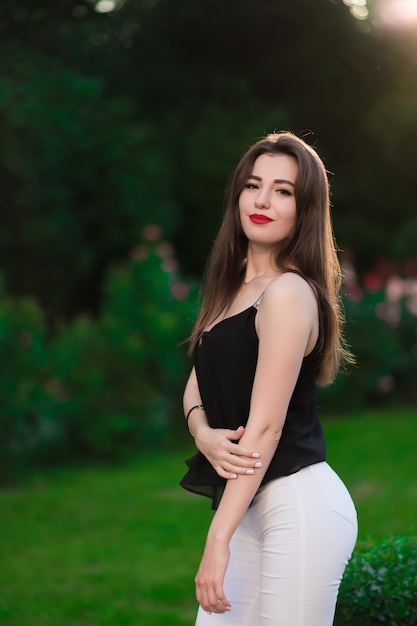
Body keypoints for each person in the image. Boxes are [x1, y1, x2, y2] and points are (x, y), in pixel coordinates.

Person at [180, 131, 357, 625]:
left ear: (306, 209)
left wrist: (217, 540)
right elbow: (198, 379)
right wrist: (203, 433)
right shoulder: (233, 286)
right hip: (248, 503)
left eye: (283, 191)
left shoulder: (288, 292)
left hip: (298, 505)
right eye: (253, 185)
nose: (262, 200)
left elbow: (265, 428)